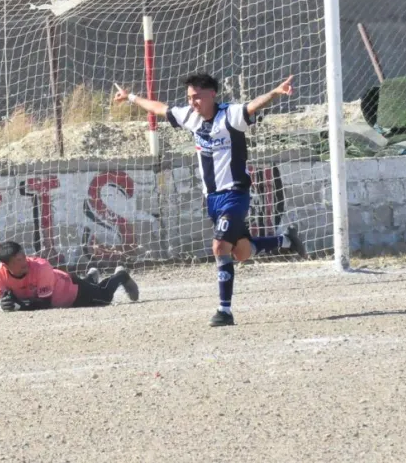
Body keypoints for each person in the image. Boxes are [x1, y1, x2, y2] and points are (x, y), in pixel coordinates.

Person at [114, 72, 303, 327]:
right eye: (189, 98)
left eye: (197, 97)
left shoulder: (230, 116)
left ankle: (224, 311)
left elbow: (253, 105)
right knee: (241, 253)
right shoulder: (191, 118)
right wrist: (131, 98)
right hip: (212, 199)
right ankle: (287, 240)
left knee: (219, 248)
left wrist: (275, 93)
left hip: (235, 194)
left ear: (212, 94)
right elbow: (161, 109)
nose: (193, 102)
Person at [0, 241, 139, 311]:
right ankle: (91, 278)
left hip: (72, 291)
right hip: (59, 284)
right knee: (94, 288)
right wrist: (4, 304)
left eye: (23, 256)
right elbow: (5, 298)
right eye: (18, 261)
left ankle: (121, 275)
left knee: (105, 297)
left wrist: (20, 307)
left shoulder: (41, 268)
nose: (24, 262)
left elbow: (45, 304)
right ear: (6, 266)